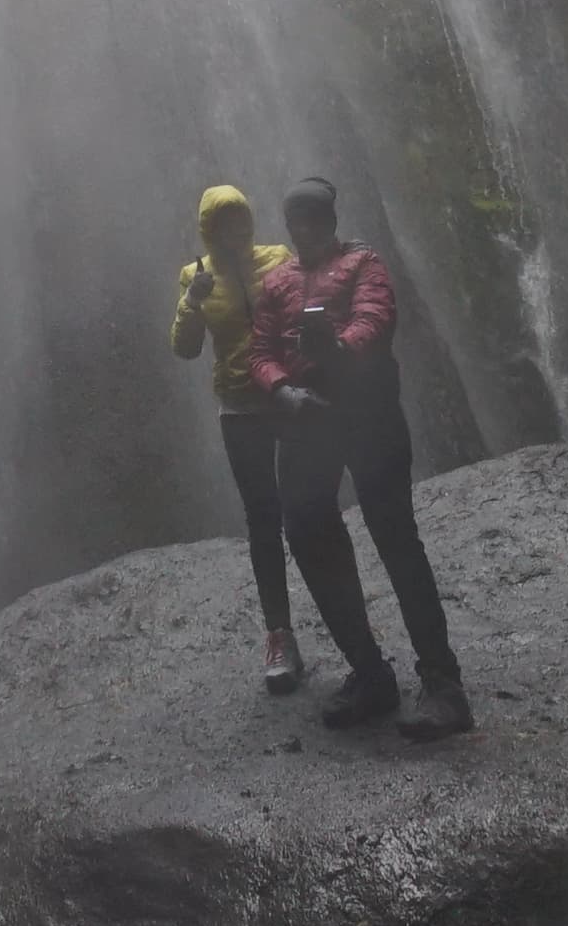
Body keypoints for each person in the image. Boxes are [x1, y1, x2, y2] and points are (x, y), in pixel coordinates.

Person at [250, 176, 470, 737]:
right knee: (308, 534)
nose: (306, 229)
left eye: (315, 219)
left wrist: (338, 347)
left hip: (368, 414)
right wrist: (281, 388)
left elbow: (376, 317)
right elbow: (260, 350)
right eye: (297, 221)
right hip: (307, 422)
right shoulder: (277, 282)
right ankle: (370, 673)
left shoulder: (363, 263)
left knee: (395, 536)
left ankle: (443, 684)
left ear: (331, 221)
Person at [169, 184, 304, 693]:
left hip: (288, 397)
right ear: (209, 230)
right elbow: (184, 349)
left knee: (307, 511)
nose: (233, 230)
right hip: (240, 409)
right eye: (222, 223)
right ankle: (280, 635)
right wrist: (191, 301)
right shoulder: (197, 277)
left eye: (239, 219)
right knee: (263, 519)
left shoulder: (278, 258)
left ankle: (343, 624)